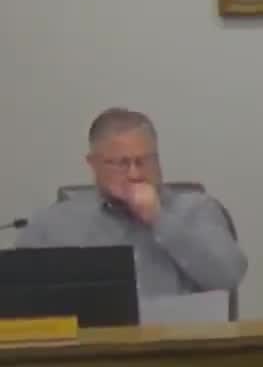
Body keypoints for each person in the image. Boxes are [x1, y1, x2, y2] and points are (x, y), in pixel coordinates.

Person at [17, 108, 248, 297]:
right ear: (93, 163)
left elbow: (228, 277)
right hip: (91, 340)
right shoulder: (53, 224)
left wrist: (159, 219)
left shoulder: (197, 210)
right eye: (122, 163)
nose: (135, 174)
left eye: (144, 161)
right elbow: (18, 297)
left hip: (177, 338)